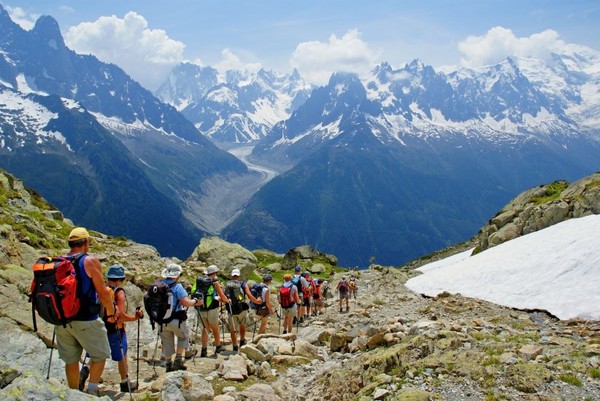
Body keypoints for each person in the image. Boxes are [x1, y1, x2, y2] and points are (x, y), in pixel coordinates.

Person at [55, 227, 116, 395]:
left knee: (71, 360)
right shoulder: (90, 261)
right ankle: (92, 390)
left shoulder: (59, 261)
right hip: (86, 318)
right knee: (100, 354)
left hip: (62, 320)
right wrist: (111, 313)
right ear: (86, 243)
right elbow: (103, 293)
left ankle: (73, 393)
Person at [104, 265, 144, 392]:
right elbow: (121, 316)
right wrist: (135, 318)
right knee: (122, 354)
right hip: (116, 328)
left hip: (100, 326)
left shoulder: (102, 290)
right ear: (119, 279)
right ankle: (124, 382)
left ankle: (85, 371)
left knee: (96, 354)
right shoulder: (119, 292)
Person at [159, 263, 198, 372]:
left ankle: (168, 364)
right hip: (175, 319)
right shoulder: (177, 286)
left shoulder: (159, 285)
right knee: (183, 337)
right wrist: (195, 302)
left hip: (161, 320)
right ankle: (178, 360)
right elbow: (186, 303)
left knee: (167, 342)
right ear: (177, 275)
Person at [195, 264, 231, 357]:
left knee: (205, 329)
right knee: (215, 328)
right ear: (215, 273)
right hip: (212, 309)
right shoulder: (214, 282)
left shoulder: (200, 281)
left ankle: (203, 350)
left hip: (201, 308)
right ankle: (218, 346)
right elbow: (222, 295)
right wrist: (227, 301)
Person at [225, 269, 261, 351]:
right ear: (239, 276)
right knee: (242, 325)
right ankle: (242, 341)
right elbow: (249, 295)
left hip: (231, 310)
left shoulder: (227, 285)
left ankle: (234, 346)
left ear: (231, 276)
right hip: (242, 309)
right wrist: (257, 301)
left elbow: (224, 297)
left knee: (233, 329)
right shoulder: (243, 284)